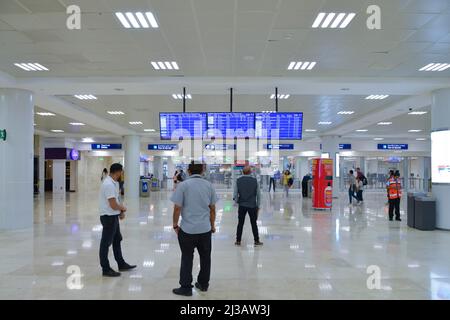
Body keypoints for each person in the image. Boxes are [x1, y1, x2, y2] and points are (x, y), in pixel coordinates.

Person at [171, 162, 217, 296]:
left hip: (187, 229)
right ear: (202, 171)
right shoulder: (209, 186)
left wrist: (175, 224)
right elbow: (212, 209)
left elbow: (177, 208)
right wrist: (212, 225)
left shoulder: (183, 185)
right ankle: (203, 284)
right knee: (205, 257)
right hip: (204, 230)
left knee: (186, 257)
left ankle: (185, 287)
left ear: (188, 171)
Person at [99, 163, 136, 277]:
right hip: (108, 217)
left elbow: (116, 201)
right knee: (105, 244)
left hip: (113, 216)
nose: (122, 174)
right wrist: (122, 208)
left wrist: (120, 212)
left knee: (117, 240)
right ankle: (105, 269)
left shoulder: (114, 183)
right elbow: (113, 204)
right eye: (121, 172)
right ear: (118, 172)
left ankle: (121, 264)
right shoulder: (108, 184)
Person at [233, 166, 263, 247]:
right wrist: (258, 205)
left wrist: (236, 201)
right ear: (250, 172)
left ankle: (238, 241)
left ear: (243, 172)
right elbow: (258, 194)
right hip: (252, 205)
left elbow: (235, 193)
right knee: (254, 223)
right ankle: (256, 240)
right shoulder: (254, 180)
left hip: (242, 205)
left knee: (240, 223)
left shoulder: (238, 180)